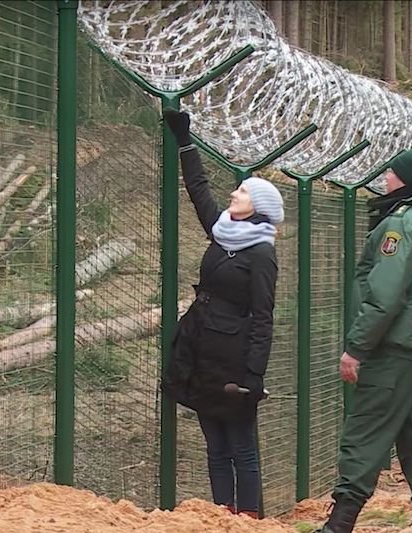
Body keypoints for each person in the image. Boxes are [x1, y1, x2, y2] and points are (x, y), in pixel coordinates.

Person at [316, 149, 412, 533]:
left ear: (408, 180)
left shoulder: (405, 224)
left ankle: (338, 524)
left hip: (394, 349)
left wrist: (357, 347)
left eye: (391, 174)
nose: (386, 181)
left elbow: (385, 294)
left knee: (365, 432)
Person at [159, 108, 283, 519]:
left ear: (258, 205)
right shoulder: (221, 230)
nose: (234, 196)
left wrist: (254, 374)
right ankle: (220, 516)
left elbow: (264, 315)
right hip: (201, 344)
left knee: (241, 445)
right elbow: (197, 188)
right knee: (214, 443)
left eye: (243, 193)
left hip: (234, 355)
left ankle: (248, 518)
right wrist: (185, 142)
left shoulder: (262, 253)